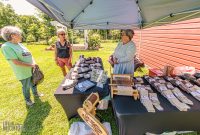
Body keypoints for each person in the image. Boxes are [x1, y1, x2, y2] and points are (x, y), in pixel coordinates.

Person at [1, 26, 43, 106]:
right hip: (23, 72)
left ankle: (36, 94)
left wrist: (34, 63)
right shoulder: (6, 47)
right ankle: (28, 100)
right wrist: (31, 65)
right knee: (26, 86)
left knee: (34, 82)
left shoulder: (20, 44)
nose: (21, 36)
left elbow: (30, 55)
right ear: (12, 35)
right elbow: (16, 62)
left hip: (31, 69)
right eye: (19, 34)